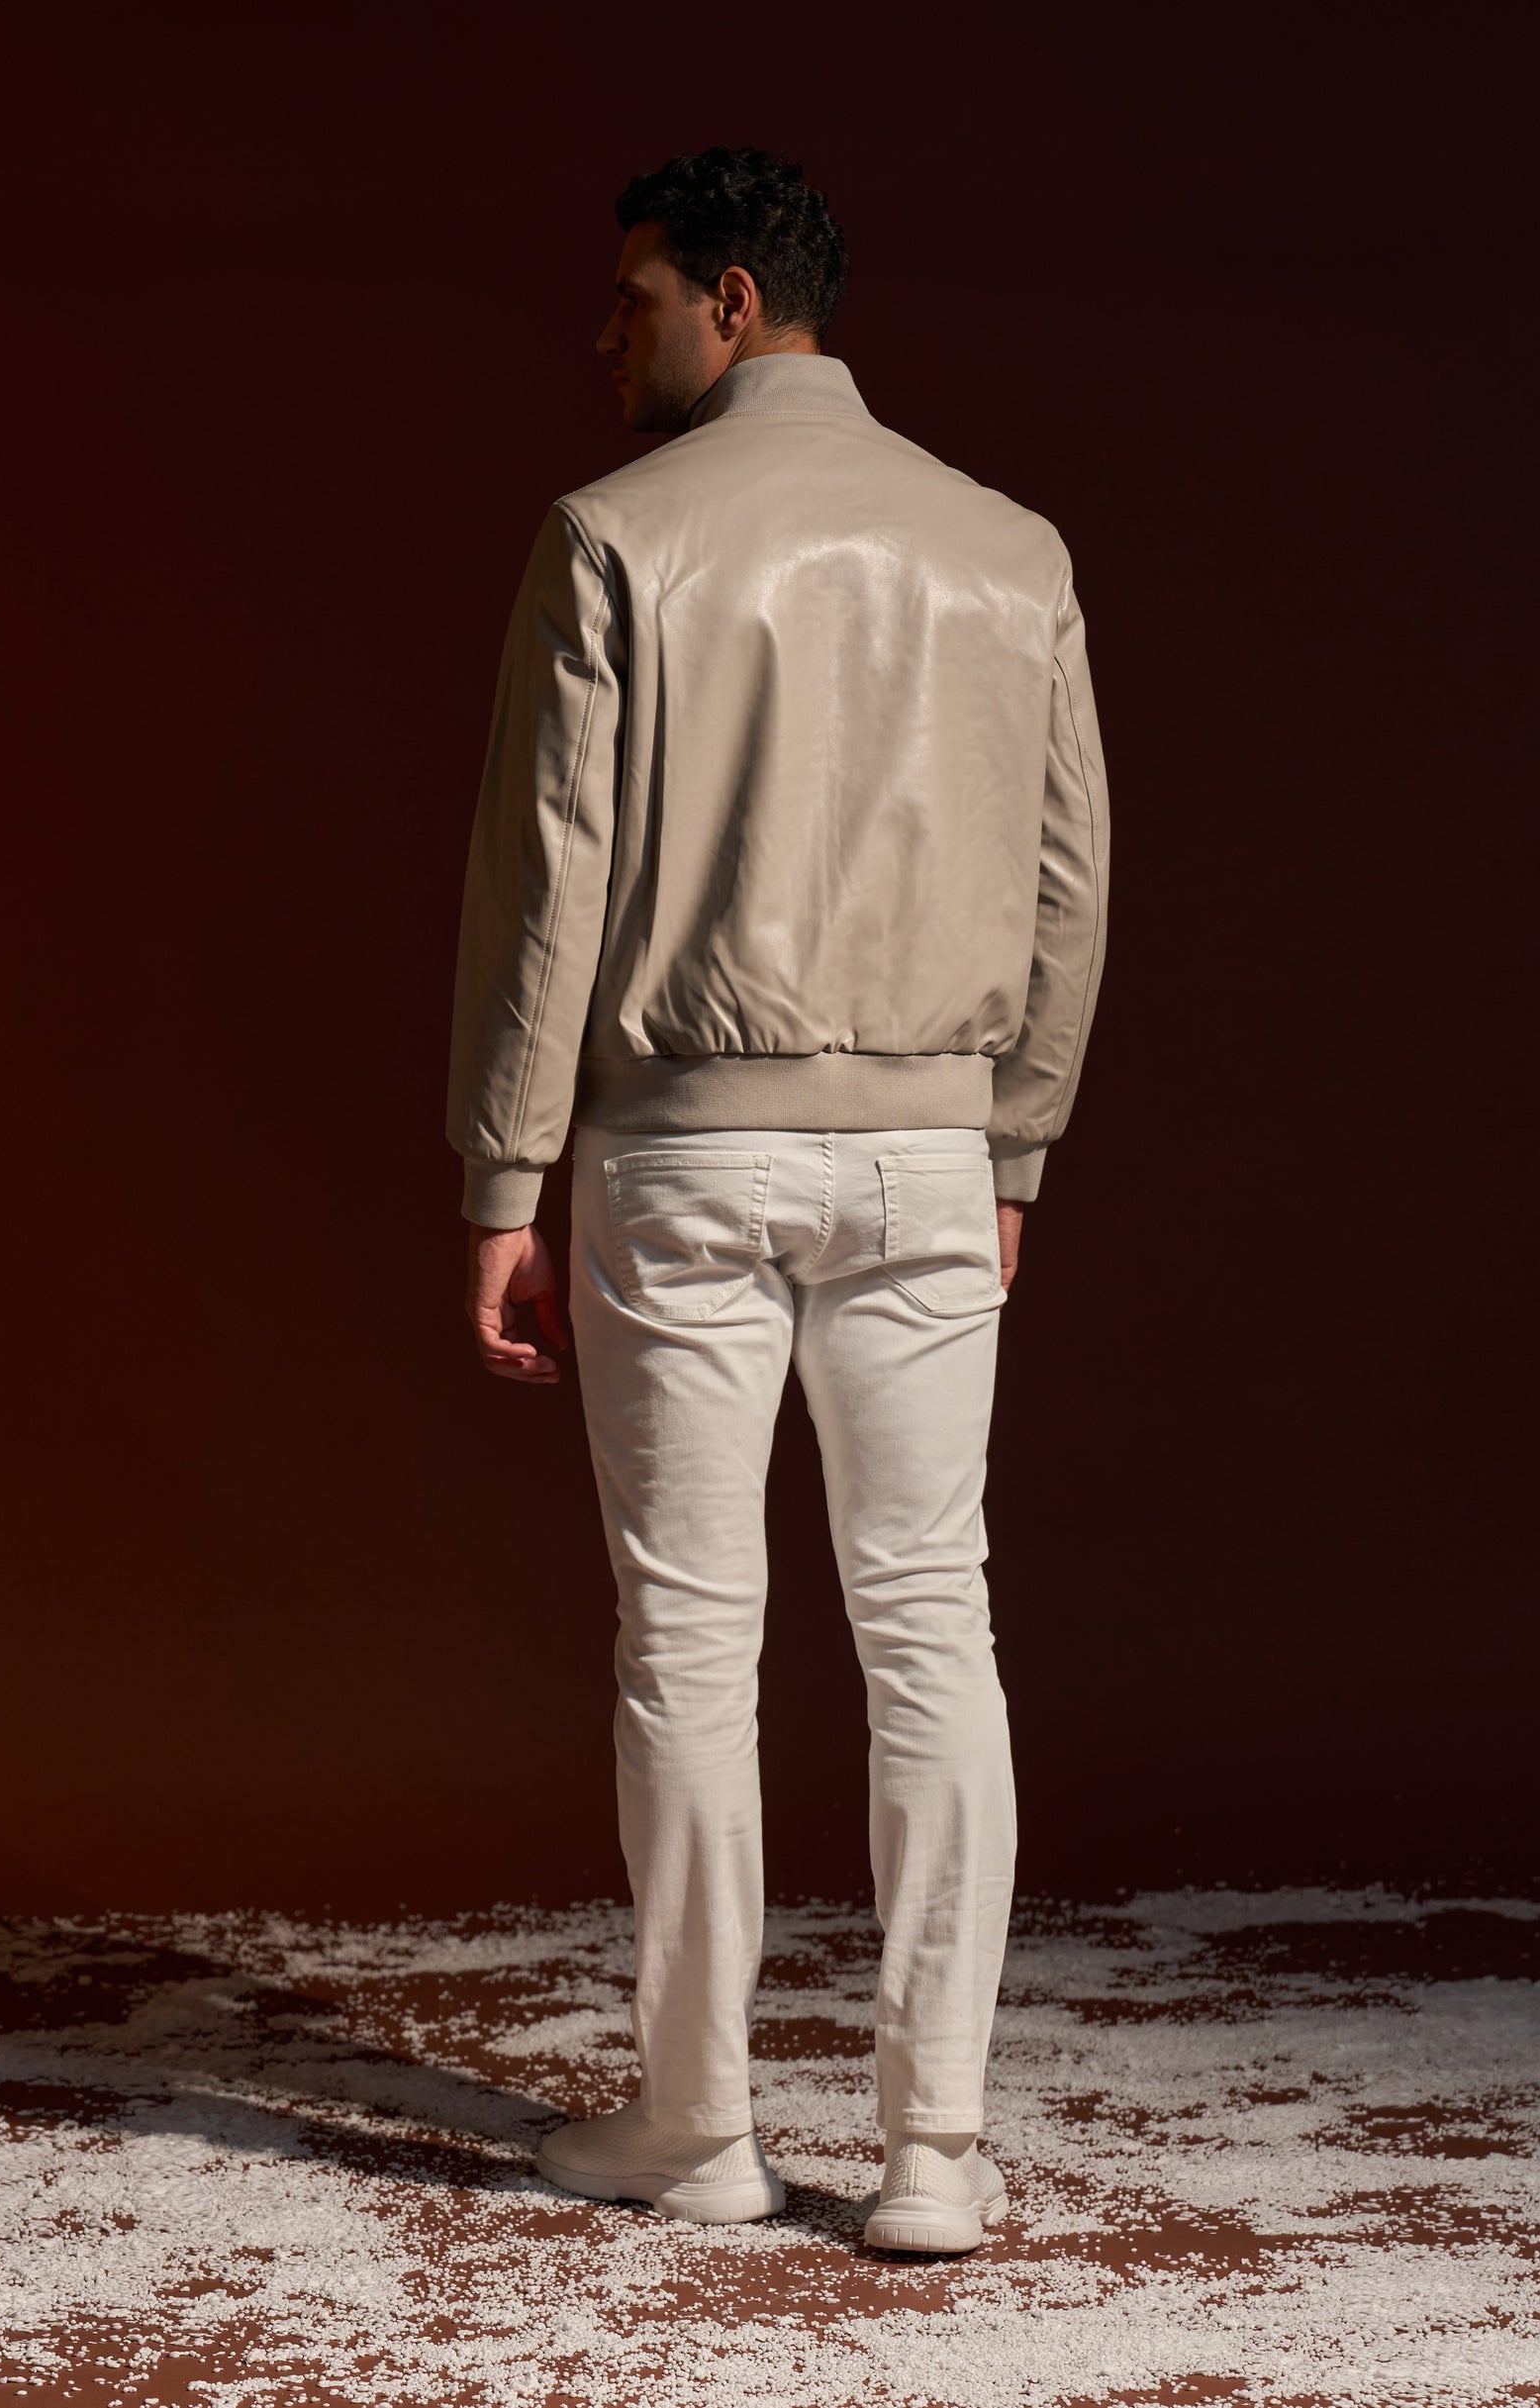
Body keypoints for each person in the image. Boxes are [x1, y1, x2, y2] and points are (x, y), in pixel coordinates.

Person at [444, 147, 1109, 2255]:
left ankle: (699, 2121)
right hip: (924, 1150)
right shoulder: (1009, 550)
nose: (605, 334)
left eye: (631, 295)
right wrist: (1011, 1143)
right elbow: (1069, 884)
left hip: (681, 1147)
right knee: (933, 1621)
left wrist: (501, 1170)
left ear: (732, 300)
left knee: (686, 1637)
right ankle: (934, 2150)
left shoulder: (612, 537)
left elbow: (546, 887)